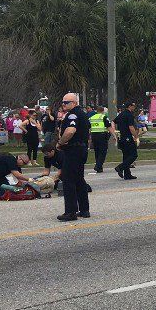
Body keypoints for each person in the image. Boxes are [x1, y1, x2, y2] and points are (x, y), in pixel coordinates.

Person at [53, 93, 91, 221]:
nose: (63, 104)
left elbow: (70, 131)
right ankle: (84, 210)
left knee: (68, 180)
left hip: (73, 150)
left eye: (66, 102)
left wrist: (60, 143)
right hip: (81, 149)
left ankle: (70, 212)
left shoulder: (73, 115)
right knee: (79, 179)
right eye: (63, 102)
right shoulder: (83, 114)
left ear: (74, 103)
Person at [113, 101, 139, 180]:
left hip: (121, 137)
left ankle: (127, 174)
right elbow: (131, 127)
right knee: (134, 155)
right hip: (128, 137)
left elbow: (113, 122)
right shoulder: (129, 115)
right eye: (133, 106)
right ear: (130, 106)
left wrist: (114, 132)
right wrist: (136, 136)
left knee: (126, 156)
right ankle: (120, 167)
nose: (134, 107)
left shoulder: (121, 114)